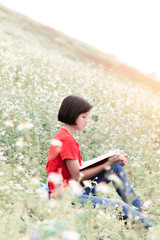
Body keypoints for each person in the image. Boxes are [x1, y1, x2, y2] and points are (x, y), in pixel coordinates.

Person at [46, 95, 152, 228]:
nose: (87, 121)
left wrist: (110, 159)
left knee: (115, 167)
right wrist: (107, 163)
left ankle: (140, 211)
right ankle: (154, 227)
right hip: (66, 196)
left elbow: (81, 166)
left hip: (74, 189)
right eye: (84, 117)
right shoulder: (66, 140)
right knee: (120, 207)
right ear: (73, 114)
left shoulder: (66, 137)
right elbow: (77, 174)